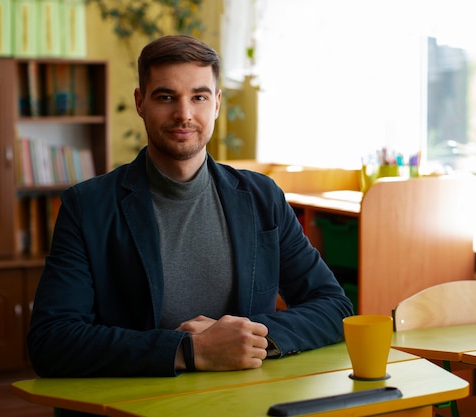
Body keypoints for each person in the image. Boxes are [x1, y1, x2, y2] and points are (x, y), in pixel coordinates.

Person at [27, 35, 353, 380]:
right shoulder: (88, 206)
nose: (184, 114)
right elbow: (52, 341)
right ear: (140, 103)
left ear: (216, 104)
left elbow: (334, 307)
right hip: (140, 402)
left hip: (249, 399)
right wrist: (188, 351)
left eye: (198, 97)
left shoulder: (262, 196)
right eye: (166, 97)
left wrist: (251, 338)